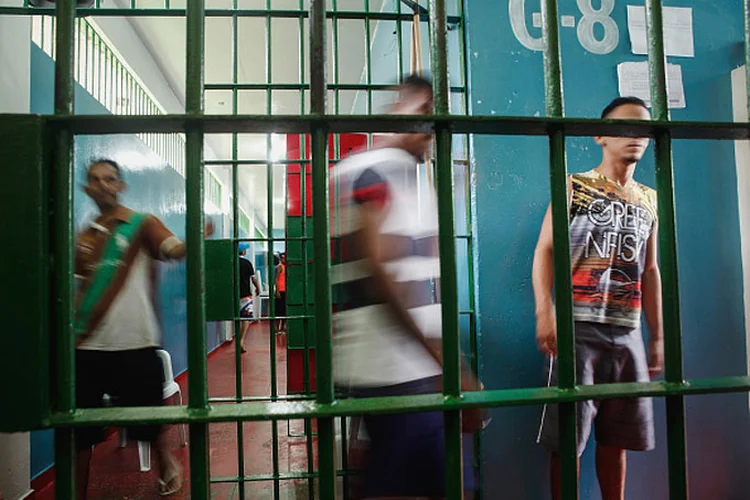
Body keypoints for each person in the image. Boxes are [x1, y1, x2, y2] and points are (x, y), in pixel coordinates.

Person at [331, 74, 478, 499]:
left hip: (409, 367)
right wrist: (447, 363)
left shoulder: (412, 179)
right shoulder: (368, 170)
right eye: (425, 112)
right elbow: (381, 275)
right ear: (399, 110)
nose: (432, 127)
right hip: (394, 370)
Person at [532, 96, 665, 500]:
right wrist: (545, 311)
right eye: (624, 127)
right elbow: (544, 250)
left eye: (643, 128)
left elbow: (650, 269)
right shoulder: (575, 186)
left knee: (618, 437)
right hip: (577, 328)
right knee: (567, 441)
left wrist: (656, 336)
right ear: (600, 137)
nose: (635, 136)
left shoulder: (649, 199)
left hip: (627, 333)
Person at [74, 158, 213, 498]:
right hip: (88, 346)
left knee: (149, 421)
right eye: (95, 180)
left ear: (121, 185)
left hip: (136, 341)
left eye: (110, 179)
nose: (103, 184)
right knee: (77, 430)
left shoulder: (141, 224)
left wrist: (194, 239)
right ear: (87, 189)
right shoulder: (85, 238)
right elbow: (80, 292)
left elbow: (175, 250)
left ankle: (166, 465)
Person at [238, 242, 262, 353]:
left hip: (233, 295)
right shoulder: (247, 263)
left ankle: (239, 339)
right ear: (243, 251)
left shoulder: (231, 262)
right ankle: (241, 340)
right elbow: (253, 279)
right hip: (245, 294)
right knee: (246, 318)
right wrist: (258, 288)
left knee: (236, 318)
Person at [274, 252, 287, 334]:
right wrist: (277, 290)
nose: (283, 259)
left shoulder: (287, 267)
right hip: (281, 291)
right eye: (282, 258)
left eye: (284, 258)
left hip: (286, 291)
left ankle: (282, 328)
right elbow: (276, 279)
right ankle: (276, 328)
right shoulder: (279, 267)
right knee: (278, 310)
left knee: (285, 311)